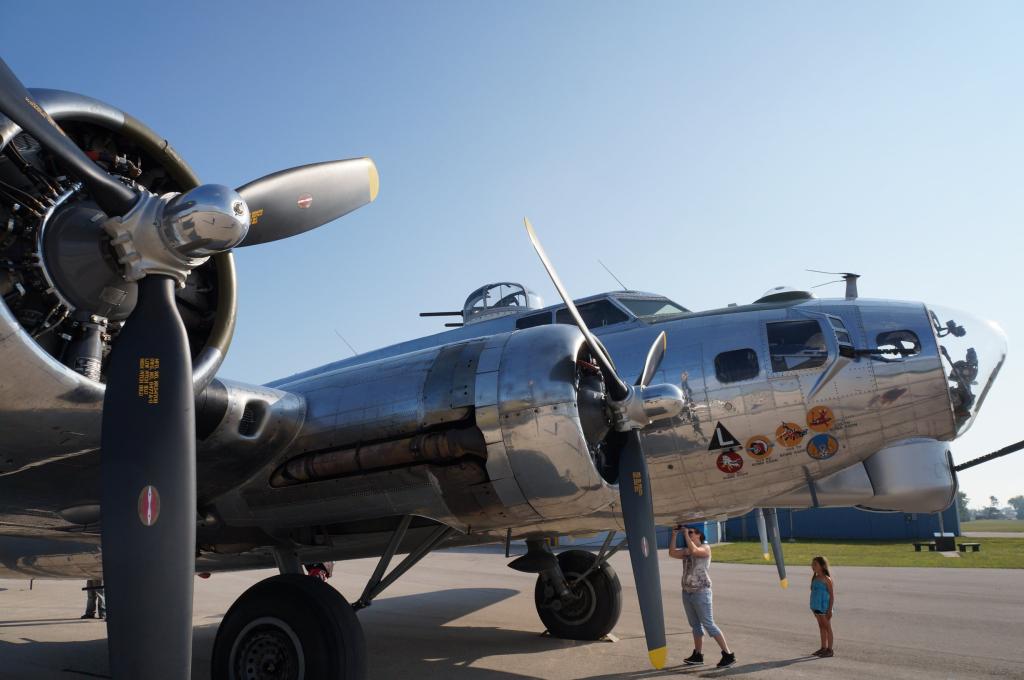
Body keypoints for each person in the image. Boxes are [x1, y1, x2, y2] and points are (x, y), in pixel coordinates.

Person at [668, 525, 735, 668]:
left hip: (701, 592)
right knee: (695, 626)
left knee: (709, 624)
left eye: (691, 532)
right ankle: (697, 655)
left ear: (699, 535)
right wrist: (674, 535)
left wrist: (685, 534)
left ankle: (728, 654)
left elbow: (694, 551)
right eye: (688, 532)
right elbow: (672, 553)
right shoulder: (687, 550)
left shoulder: (705, 548)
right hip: (687, 592)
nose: (689, 534)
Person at [810, 556, 835, 657]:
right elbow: (813, 594)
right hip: (816, 607)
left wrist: (829, 609)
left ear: (822, 566)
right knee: (821, 627)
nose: (813, 566)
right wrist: (812, 607)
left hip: (824, 608)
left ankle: (830, 649)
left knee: (827, 627)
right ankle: (823, 647)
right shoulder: (815, 578)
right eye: (812, 564)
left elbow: (832, 596)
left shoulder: (827, 579)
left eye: (815, 564)